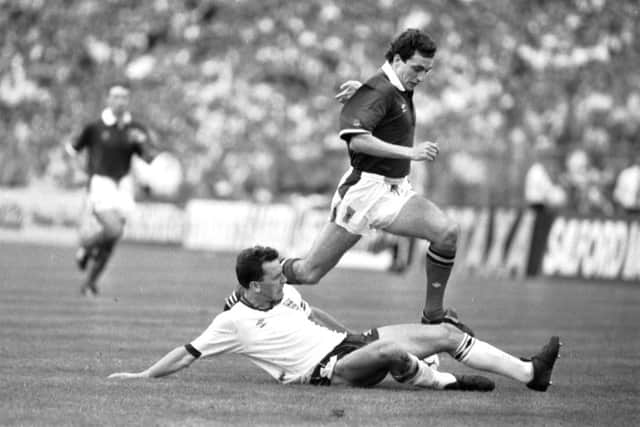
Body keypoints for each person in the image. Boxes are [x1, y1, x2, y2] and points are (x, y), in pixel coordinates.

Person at [224, 29, 470, 335]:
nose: (421, 77)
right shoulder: (381, 90)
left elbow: (381, 101)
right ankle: (248, 284)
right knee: (308, 271)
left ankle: (433, 314)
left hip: (395, 189)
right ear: (396, 60)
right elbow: (358, 142)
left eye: (427, 71)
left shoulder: (388, 87)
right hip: (364, 193)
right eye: (417, 68)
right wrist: (410, 151)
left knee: (446, 233)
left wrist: (366, 91)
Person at [110, 246, 561, 393]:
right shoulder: (232, 322)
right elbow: (187, 354)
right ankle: (442, 382)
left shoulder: (286, 296)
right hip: (329, 370)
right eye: (273, 277)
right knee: (391, 351)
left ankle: (530, 373)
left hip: (348, 344)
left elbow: (314, 314)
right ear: (252, 287)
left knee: (446, 329)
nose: (283, 279)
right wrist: (142, 374)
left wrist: (347, 334)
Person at [65, 83, 155, 296]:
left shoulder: (136, 129)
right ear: (108, 99)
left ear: (128, 100)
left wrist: (143, 144)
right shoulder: (94, 128)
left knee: (111, 241)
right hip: (100, 184)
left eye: (124, 97)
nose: (120, 101)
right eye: (116, 96)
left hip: (123, 185)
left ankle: (89, 283)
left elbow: (149, 158)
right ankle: (86, 246)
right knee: (113, 230)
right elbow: (72, 150)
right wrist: (79, 172)